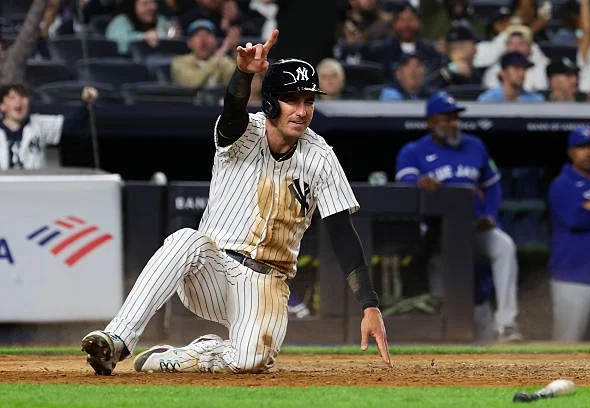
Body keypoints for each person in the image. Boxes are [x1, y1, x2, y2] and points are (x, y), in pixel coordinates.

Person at [81, 29, 392, 375]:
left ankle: (188, 356)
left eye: (309, 101)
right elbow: (232, 114)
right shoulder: (245, 132)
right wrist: (243, 74)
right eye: (293, 100)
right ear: (271, 102)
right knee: (186, 239)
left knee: (251, 361)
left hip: (267, 284)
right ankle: (118, 339)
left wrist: (369, 305)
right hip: (211, 271)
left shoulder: (320, 156)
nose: (303, 111)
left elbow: (342, 233)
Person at [395, 91, 522, 342]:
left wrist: (490, 214)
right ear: (431, 122)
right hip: (437, 235)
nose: (453, 123)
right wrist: (419, 181)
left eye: (455, 118)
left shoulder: (475, 146)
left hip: (473, 227)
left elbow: (493, 185)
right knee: (443, 302)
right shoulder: (414, 151)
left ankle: (507, 322)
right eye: (446, 118)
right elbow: (403, 180)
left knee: (504, 246)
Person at [547, 126, 590, 342]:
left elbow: (588, 215)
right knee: (566, 345)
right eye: (581, 147)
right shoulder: (561, 185)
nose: (589, 152)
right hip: (573, 277)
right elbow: (576, 219)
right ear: (571, 152)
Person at [0, 84, 98, 170]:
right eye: (12, 98)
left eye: (23, 97)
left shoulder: (39, 124)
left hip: (34, 186)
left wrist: (86, 103)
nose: (19, 102)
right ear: (2, 105)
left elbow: (74, 123)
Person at [171, 19, 239, 89]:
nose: (203, 40)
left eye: (208, 34)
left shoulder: (223, 61)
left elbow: (237, 81)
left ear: (215, 41)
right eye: (197, 35)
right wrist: (217, 57)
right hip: (190, 99)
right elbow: (192, 83)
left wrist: (234, 50)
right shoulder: (179, 62)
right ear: (189, 43)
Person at [105, 0, 171, 55]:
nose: (153, 7)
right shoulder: (120, 21)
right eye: (145, 4)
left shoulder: (160, 19)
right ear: (133, 6)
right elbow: (118, 43)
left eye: (153, 2)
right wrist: (145, 37)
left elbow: (169, 36)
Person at [477, 51, 545, 102]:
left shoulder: (535, 100)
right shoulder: (488, 100)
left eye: (524, 69)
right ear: (503, 73)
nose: (522, 74)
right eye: (516, 68)